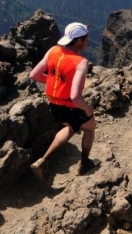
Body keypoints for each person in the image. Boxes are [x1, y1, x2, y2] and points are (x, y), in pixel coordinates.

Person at [29, 22, 97, 179]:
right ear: (78, 41)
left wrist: (55, 83)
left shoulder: (53, 50)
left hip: (54, 105)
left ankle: (42, 161)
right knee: (90, 127)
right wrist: (87, 109)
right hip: (71, 106)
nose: (87, 42)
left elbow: (34, 75)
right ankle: (84, 164)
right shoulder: (81, 62)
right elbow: (75, 97)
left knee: (71, 127)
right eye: (86, 39)